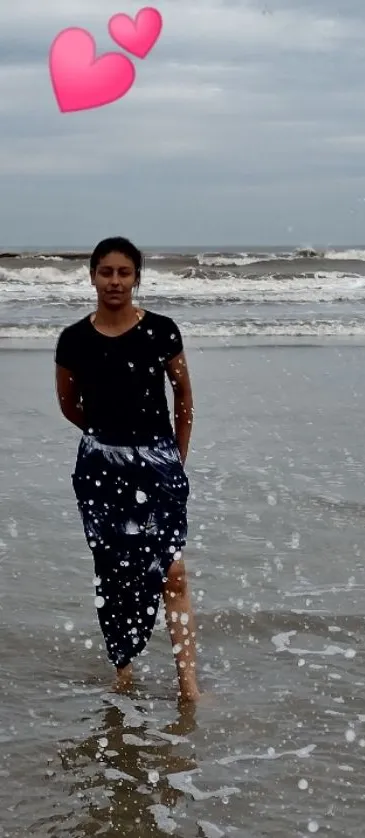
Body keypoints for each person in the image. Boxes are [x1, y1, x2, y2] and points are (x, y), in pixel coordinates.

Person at [54, 236, 200, 702]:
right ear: (92, 276)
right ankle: (124, 671)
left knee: (171, 571)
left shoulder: (161, 331)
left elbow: (184, 397)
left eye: (124, 272)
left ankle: (188, 686)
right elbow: (68, 405)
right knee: (113, 571)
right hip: (100, 470)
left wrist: (172, 457)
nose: (114, 281)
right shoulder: (74, 339)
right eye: (106, 272)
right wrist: (108, 441)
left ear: (137, 277)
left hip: (158, 467)